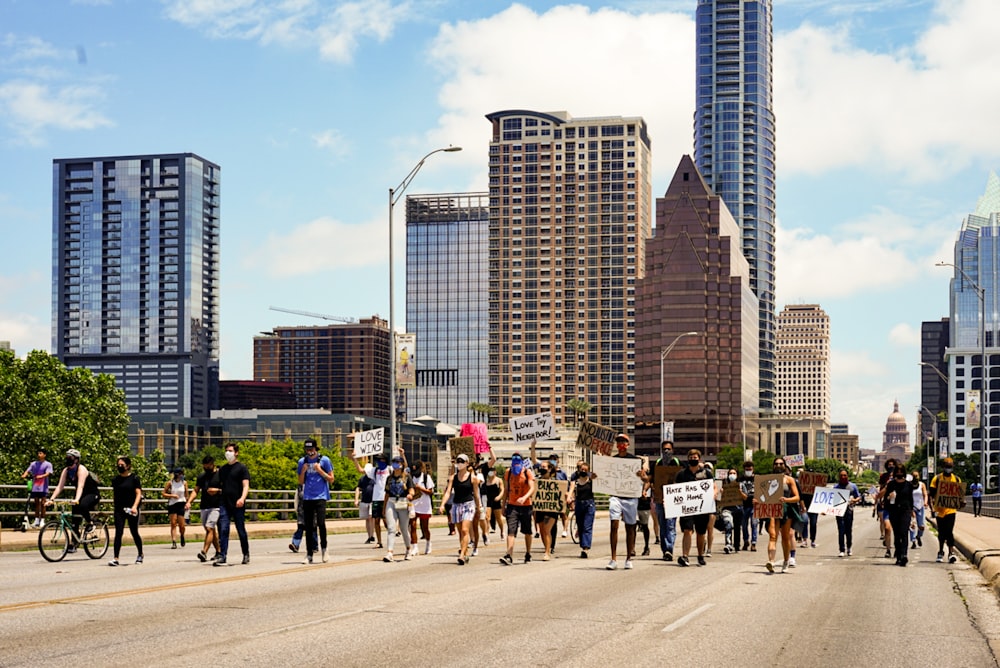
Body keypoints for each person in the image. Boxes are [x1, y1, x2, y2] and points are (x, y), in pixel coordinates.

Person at [47, 448, 100, 553]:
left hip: (92, 494)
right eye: (67, 457)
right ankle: (74, 543)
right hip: (79, 495)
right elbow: (59, 487)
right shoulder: (66, 470)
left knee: (83, 505)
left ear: (76, 459)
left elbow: (80, 486)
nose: (68, 459)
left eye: (70, 458)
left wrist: (76, 499)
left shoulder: (81, 469)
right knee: (74, 520)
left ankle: (90, 523)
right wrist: (51, 499)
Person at [674, 448, 713, 567]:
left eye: (695, 458)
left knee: (701, 533)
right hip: (687, 508)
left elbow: (714, 486)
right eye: (691, 458)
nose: (693, 460)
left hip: (702, 508)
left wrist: (715, 493)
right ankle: (685, 556)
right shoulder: (681, 474)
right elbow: (675, 490)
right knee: (687, 530)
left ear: (699, 459)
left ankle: (700, 555)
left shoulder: (706, 473)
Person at [439, 453, 480, 565]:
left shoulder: (473, 478)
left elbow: (476, 494)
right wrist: (442, 504)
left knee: (465, 530)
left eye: (462, 461)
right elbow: (448, 492)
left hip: (468, 504)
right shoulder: (453, 478)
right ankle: (465, 551)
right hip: (456, 505)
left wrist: (478, 507)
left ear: (467, 463)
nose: (460, 463)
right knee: (460, 532)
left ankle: (462, 554)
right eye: (458, 461)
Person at [298, 438, 334, 564]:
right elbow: (301, 481)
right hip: (308, 497)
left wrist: (320, 470)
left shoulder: (324, 460)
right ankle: (309, 554)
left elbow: (331, 479)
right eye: (307, 450)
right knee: (308, 526)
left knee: (321, 523)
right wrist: (303, 471)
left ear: (316, 449)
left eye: (311, 449)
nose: (310, 452)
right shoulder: (302, 462)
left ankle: (324, 548)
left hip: (321, 496)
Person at [215, 443, 250, 566]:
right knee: (223, 529)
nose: (227, 453)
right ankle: (222, 555)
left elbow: (246, 486)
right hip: (225, 503)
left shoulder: (241, 468)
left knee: (240, 529)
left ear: (236, 453)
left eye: (230, 451)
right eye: (226, 451)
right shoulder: (223, 469)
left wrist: (242, 498)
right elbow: (220, 485)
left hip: (238, 504)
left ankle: (246, 553)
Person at [764, 457, 800, 574]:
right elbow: (762, 496)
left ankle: (786, 561)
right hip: (772, 510)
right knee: (773, 536)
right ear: (773, 466)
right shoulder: (767, 480)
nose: (778, 465)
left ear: (784, 466)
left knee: (785, 537)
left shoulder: (789, 480)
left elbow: (797, 497)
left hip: (785, 511)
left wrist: (786, 499)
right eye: (776, 464)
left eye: (781, 464)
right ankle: (771, 561)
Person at [499, 451, 536, 565]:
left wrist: (524, 497)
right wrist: (503, 505)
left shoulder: (527, 472)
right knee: (511, 531)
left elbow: (532, 488)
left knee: (527, 532)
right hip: (512, 505)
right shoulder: (508, 473)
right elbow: (506, 490)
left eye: (517, 459)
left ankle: (528, 552)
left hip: (525, 506)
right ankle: (509, 554)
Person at [109, 456, 143, 566]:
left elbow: (138, 494)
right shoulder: (115, 480)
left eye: (122, 465)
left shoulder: (134, 478)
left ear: (128, 466)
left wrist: (134, 507)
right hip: (119, 509)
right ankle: (116, 558)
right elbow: (115, 495)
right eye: (118, 465)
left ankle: (140, 554)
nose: (119, 467)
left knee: (134, 532)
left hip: (131, 509)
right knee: (118, 532)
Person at [878, 464, 915, 566]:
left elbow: (911, 499)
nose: (899, 473)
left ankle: (904, 555)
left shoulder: (908, 485)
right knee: (897, 534)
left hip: (905, 511)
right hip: (894, 511)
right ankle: (898, 555)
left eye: (901, 471)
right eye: (897, 471)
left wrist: (912, 513)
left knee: (904, 533)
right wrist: (889, 497)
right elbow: (885, 499)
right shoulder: (891, 484)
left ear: (904, 472)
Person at [929, 457, 962, 564]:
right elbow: (932, 494)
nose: (949, 468)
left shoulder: (956, 479)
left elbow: (960, 496)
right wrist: (931, 508)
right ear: (943, 467)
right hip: (939, 510)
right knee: (941, 532)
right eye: (947, 467)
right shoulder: (937, 479)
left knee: (949, 531)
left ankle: (951, 552)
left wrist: (962, 502)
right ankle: (940, 551)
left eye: (950, 467)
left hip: (951, 510)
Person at [189, 454, 222, 562]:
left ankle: (204, 552)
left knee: (209, 528)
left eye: (208, 467)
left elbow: (227, 489)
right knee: (211, 530)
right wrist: (189, 502)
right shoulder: (202, 477)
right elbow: (196, 490)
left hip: (216, 506)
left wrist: (217, 490)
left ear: (213, 465)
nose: (206, 469)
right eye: (204, 467)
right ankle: (218, 551)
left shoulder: (220, 475)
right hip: (204, 506)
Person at [652, 440, 680, 561]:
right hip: (659, 499)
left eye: (668, 449)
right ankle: (665, 550)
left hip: (673, 500)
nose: (666, 451)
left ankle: (669, 548)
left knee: (670, 525)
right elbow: (651, 478)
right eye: (664, 449)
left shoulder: (677, 462)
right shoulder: (657, 463)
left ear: (672, 450)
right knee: (662, 525)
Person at [355, 453, 390, 549]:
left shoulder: (389, 470)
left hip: (386, 498)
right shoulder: (374, 471)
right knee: (376, 521)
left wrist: (402, 455)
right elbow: (361, 470)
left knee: (386, 520)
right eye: (378, 460)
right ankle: (379, 541)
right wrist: (355, 460)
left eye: (381, 460)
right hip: (376, 499)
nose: (379, 462)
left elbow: (404, 469)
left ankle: (391, 536)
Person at [383, 455, 414, 563]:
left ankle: (408, 549)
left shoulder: (407, 477)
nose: (395, 464)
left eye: (397, 462)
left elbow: (411, 490)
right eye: (393, 462)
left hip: (402, 503)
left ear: (401, 464)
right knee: (391, 528)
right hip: (391, 502)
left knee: (404, 529)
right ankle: (390, 552)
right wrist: (384, 508)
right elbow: (386, 494)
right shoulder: (389, 478)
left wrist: (410, 495)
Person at [567, 461, 595, 558]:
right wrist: (569, 498)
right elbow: (571, 490)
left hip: (589, 504)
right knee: (580, 526)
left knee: (587, 527)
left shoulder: (591, 480)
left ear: (588, 471)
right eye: (581, 469)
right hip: (579, 504)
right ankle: (583, 544)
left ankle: (585, 549)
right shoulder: (575, 480)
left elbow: (598, 475)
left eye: (585, 470)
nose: (583, 471)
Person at [534, 463, 561, 561]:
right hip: (540, 508)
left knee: (546, 530)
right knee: (542, 531)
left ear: (549, 469)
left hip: (551, 509)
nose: (542, 468)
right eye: (541, 467)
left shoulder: (555, 482)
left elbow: (561, 493)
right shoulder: (537, 480)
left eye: (544, 467)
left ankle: (547, 552)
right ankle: (547, 547)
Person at [409, 460, 435, 556]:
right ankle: (415, 547)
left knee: (424, 527)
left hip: (424, 505)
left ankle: (428, 543)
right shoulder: (411, 478)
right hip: (413, 504)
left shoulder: (426, 477)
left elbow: (430, 492)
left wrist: (420, 488)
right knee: (413, 525)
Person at [22, 448, 52, 528]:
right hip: (35, 487)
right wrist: (24, 474)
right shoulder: (34, 464)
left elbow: (48, 473)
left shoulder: (48, 464)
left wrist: (41, 476)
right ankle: (36, 520)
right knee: (36, 504)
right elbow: (28, 470)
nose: (39, 455)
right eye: (38, 453)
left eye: (41, 453)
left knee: (43, 503)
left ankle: (42, 520)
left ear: (44, 455)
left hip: (43, 487)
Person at [833, 469, 860, 557]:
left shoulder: (853, 486)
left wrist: (854, 500)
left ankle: (849, 547)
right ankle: (841, 549)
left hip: (849, 511)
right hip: (839, 512)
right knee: (841, 530)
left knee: (848, 530)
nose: (843, 477)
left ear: (847, 476)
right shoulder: (836, 487)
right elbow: (831, 500)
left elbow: (858, 497)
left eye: (845, 475)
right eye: (841, 475)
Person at [719, 468, 744, 554]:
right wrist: (721, 492)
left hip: (738, 509)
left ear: (737, 475)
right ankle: (728, 544)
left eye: (734, 473)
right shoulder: (724, 485)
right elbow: (719, 498)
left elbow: (745, 497)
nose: (732, 475)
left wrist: (740, 492)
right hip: (727, 508)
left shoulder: (741, 485)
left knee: (737, 528)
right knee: (728, 525)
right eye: (730, 473)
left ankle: (737, 546)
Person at [163, 468, 189, 549]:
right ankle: (174, 541)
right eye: (180, 474)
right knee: (173, 523)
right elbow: (163, 493)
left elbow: (186, 495)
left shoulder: (184, 483)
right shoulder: (170, 483)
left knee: (182, 525)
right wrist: (172, 495)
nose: (182, 475)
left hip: (181, 504)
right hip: (172, 504)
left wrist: (187, 503)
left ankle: (182, 535)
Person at [877, 458, 898, 558]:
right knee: (887, 527)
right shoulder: (884, 476)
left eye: (892, 465)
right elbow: (881, 489)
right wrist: (879, 500)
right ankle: (888, 550)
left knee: (898, 530)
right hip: (887, 505)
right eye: (889, 465)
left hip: (898, 506)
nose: (891, 466)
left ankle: (898, 548)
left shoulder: (899, 476)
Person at [483, 466, 505, 540]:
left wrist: (499, 497)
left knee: (498, 518)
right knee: (487, 518)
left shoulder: (499, 480)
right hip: (488, 501)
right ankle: (486, 534)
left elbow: (502, 490)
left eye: (492, 470)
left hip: (496, 500)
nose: (491, 472)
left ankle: (502, 531)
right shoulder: (486, 481)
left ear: (495, 472)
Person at [354, 472, 376, 544]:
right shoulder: (362, 479)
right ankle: (369, 536)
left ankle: (372, 535)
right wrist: (356, 499)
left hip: (373, 500)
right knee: (367, 519)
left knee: (371, 517)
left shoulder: (375, 478)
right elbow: (358, 488)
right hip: (364, 500)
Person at [740, 461, 757, 551]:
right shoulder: (740, 479)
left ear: (753, 469)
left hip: (755, 506)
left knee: (754, 524)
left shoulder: (757, 479)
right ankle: (746, 541)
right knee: (744, 525)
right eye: (747, 469)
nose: (748, 471)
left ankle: (753, 543)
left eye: (750, 469)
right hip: (743, 505)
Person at [910, 471, 929, 550]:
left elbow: (925, 494)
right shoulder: (909, 485)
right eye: (914, 476)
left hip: (920, 507)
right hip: (912, 507)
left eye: (917, 476)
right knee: (912, 525)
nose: (916, 477)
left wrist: (925, 502)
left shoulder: (922, 485)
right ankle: (913, 541)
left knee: (921, 526)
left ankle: (918, 536)